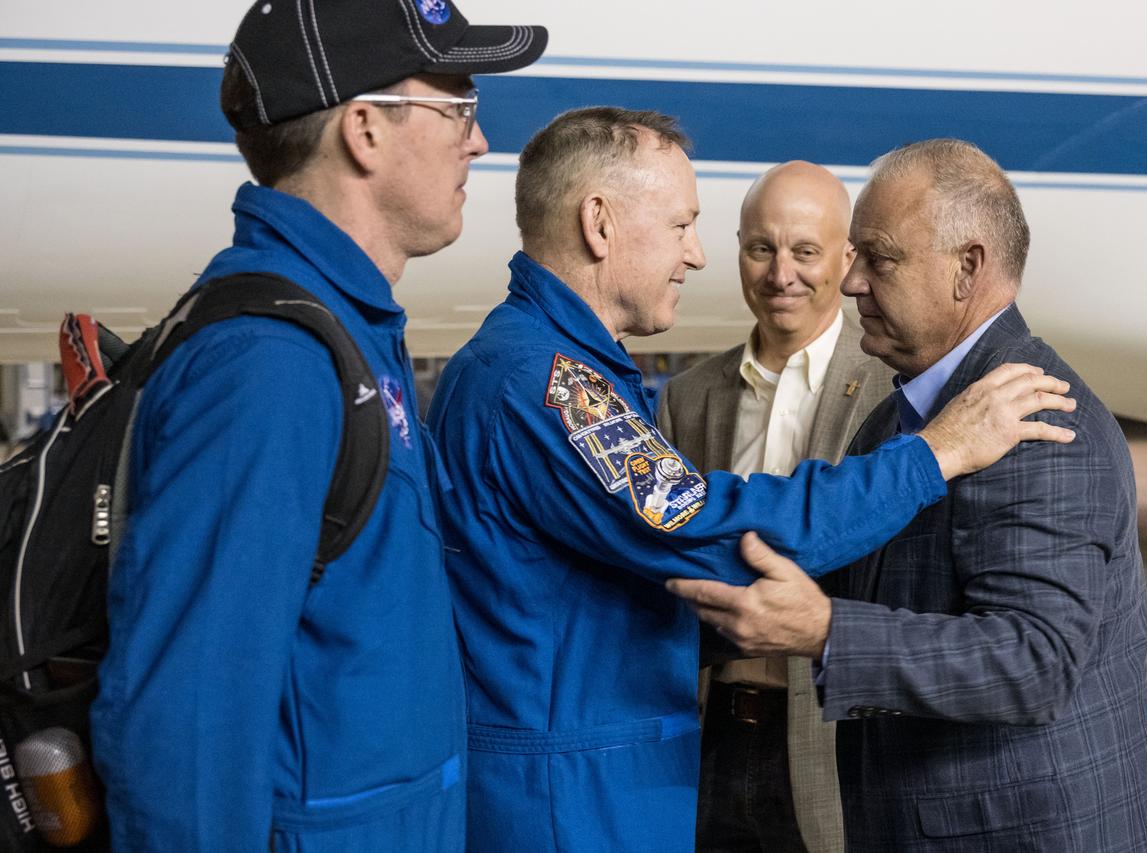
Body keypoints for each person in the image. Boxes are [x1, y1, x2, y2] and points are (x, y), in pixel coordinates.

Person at [426, 110, 1076, 851]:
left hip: (592, 781)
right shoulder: (546, 385)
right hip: (567, 806)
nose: (697, 255)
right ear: (599, 224)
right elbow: (711, 530)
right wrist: (933, 455)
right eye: (680, 225)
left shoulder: (554, 367)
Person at [89, 2, 546, 850]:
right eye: (459, 108)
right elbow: (187, 726)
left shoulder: (346, 331)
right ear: (365, 130)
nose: (480, 143)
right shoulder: (270, 364)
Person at [669, 139, 1147, 852]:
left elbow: (1032, 660)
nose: (851, 283)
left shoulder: (1033, 416)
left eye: (879, 259)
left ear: (966, 267)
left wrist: (826, 631)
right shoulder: (900, 421)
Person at [656, 161, 891, 853]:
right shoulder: (689, 397)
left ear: (846, 259)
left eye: (806, 251)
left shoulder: (892, 392)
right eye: (761, 248)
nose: (781, 272)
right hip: (710, 735)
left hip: (833, 741)